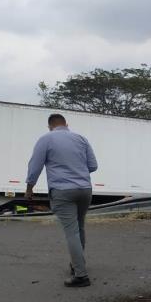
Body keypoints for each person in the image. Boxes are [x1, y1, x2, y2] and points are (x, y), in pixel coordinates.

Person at [25, 114, 98, 287]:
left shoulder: (46, 139)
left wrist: (29, 187)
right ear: (66, 124)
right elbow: (93, 166)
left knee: (71, 232)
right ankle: (77, 265)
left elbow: (35, 166)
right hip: (85, 190)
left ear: (50, 126)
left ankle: (81, 275)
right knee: (79, 227)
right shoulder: (81, 139)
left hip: (63, 191)